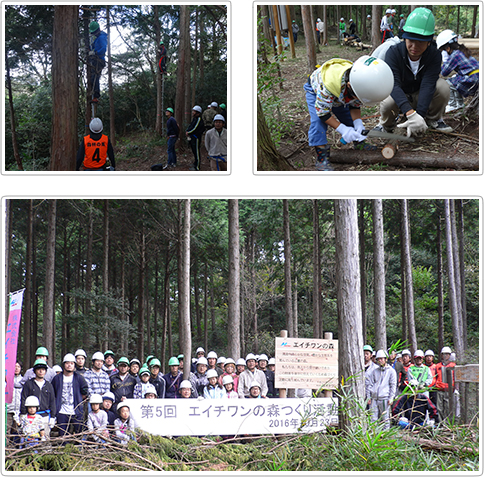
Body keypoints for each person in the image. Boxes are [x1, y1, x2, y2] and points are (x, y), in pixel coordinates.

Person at [304, 55, 394, 171]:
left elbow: (354, 105)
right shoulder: (327, 86)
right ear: (349, 86)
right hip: (316, 92)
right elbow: (323, 113)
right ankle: (322, 159)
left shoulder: (360, 80)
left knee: (349, 119)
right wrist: (342, 129)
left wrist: (358, 123)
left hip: (341, 95)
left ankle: (359, 142)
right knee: (318, 124)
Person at [374, 7, 452, 136]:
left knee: (443, 87)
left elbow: (428, 84)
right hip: (400, 94)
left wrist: (419, 116)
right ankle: (386, 125)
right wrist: (409, 113)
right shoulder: (394, 53)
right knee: (388, 102)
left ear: (429, 42)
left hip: (420, 94)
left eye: (420, 42)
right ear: (405, 38)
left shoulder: (434, 55)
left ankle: (432, 119)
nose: (414, 47)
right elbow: (394, 84)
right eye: (410, 41)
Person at [436, 29, 479, 112]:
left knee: (446, 83)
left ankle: (452, 104)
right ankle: (459, 104)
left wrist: (445, 60)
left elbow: (444, 72)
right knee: (454, 78)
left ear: (448, 48)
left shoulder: (455, 54)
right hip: (476, 77)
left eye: (443, 50)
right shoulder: (462, 50)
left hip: (472, 80)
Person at [52, 353, 89, 438]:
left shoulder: (78, 378)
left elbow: (85, 390)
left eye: (72, 363)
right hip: (61, 411)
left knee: (79, 434)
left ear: (74, 365)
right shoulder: (57, 378)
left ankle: (78, 450)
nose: (69, 365)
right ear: (64, 364)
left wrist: (79, 399)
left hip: (76, 410)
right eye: (67, 363)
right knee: (63, 436)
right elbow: (53, 393)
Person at [20, 359, 57, 438]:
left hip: (45, 416)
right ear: (34, 371)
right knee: (29, 438)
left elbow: (52, 401)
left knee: (45, 437)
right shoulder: (28, 384)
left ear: (46, 371)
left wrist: (53, 417)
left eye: (43, 369)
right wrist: (23, 414)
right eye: (38, 369)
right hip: (30, 417)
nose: (41, 371)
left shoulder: (49, 385)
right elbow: (23, 398)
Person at [365, 350, 397, 429]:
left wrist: (391, 397)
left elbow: (393, 385)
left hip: (384, 397)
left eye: (381, 359)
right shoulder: (374, 371)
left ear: (386, 359)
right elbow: (370, 384)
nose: (380, 361)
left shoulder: (391, 371)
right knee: (373, 418)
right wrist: (368, 397)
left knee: (385, 418)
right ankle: (373, 435)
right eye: (378, 359)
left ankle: (386, 435)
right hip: (374, 398)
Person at [434, 346, 456, 422]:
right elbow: (434, 377)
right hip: (439, 389)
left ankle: (448, 423)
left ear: (450, 355)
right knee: (439, 408)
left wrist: (455, 388)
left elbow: (455, 378)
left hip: (449, 390)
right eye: (444, 354)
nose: (445, 356)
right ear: (441, 355)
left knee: (448, 407)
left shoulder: (453, 366)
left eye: (447, 354)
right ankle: (441, 423)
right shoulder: (437, 366)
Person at [88, 21, 108, 102]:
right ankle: (94, 94)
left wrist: (95, 53)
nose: (94, 34)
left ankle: (96, 97)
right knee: (92, 77)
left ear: (98, 30)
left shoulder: (102, 37)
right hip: (95, 59)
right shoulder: (97, 39)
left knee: (95, 77)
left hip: (99, 60)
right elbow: (93, 47)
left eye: (95, 32)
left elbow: (103, 49)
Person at [6, 361, 23, 442]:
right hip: (9, 409)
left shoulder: (23, 380)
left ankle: (16, 449)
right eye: (15, 366)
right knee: (7, 430)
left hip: (19, 410)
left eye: (18, 367)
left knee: (17, 431)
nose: (16, 368)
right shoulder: (7, 380)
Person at [186, 105, 205, 171]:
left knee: (197, 152)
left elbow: (195, 128)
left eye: (194, 111)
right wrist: (187, 131)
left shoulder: (199, 119)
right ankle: (195, 163)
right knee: (194, 151)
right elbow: (191, 126)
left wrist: (189, 132)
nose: (193, 112)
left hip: (196, 138)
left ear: (198, 113)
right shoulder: (194, 119)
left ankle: (197, 167)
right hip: (192, 138)